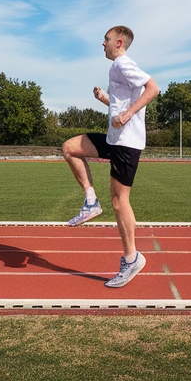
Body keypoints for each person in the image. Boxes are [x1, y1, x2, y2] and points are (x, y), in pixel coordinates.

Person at [61, 26, 159, 288]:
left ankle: (131, 259)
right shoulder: (116, 69)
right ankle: (91, 201)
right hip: (114, 139)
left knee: (119, 201)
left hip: (126, 143)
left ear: (118, 42)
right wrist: (106, 100)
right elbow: (124, 104)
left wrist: (126, 116)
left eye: (105, 40)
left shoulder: (123, 65)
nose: (101, 44)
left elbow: (153, 88)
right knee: (70, 147)